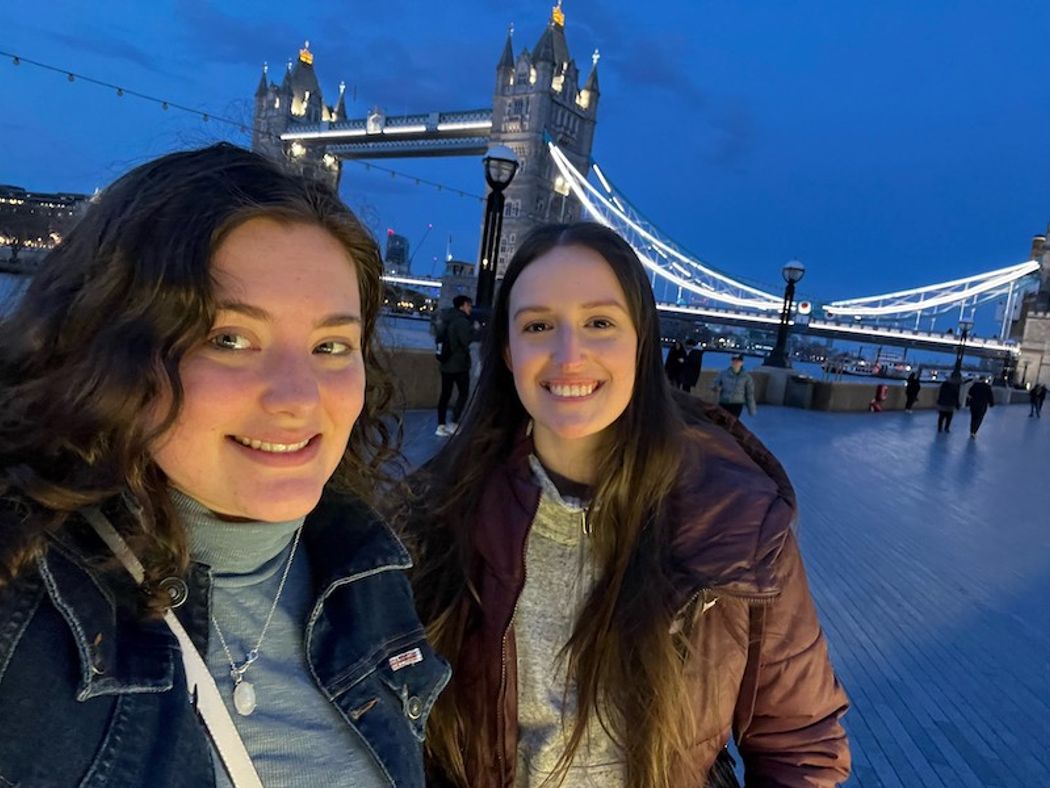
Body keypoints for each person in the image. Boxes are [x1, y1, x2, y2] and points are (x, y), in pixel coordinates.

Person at [0, 144, 448, 787]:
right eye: (230, 339)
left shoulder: (370, 577)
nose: (297, 398)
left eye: (331, 345)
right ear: (112, 348)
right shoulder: (19, 602)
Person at [401, 223, 850, 787]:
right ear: (509, 353)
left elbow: (800, 743)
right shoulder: (435, 515)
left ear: (641, 343)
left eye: (600, 323)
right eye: (538, 326)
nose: (569, 355)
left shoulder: (737, 519)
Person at [435, 294, 475, 437]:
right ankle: (454, 422)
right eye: (469, 305)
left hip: (445, 362)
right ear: (463, 305)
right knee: (463, 393)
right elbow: (465, 341)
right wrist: (474, 330)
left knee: (445, 394)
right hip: (459, 365)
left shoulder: (446, 318)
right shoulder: (462, 321)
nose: (470, 308)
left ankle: (440, 425)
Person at [711, 354, 757, 419]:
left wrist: (752, 410)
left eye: (738, 361)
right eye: (734, 361)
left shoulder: (747, 377)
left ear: (742, 363)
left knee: (732, 422)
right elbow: (714, 384)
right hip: (724, 402)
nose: (735, 363)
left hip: (737, 404)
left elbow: (749, 394)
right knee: (721, 422)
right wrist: (715, 387)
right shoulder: (723, 374)